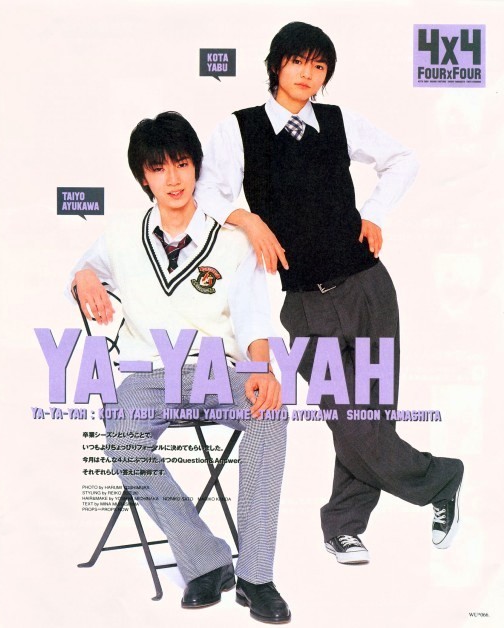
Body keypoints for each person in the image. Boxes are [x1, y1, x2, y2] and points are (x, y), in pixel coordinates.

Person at [194, 21, 463, 565]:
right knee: (351, 419)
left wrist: (375, 213)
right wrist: (248, 219)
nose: (307, 74)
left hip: (368, 288)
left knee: (370, 418)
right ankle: (442, 479)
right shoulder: (240, 128)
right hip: (305, 303)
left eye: (319, 66)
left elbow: (403, 159)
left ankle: (343, 526)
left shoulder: (340, 122)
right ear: (276, 65)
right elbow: (206, 189)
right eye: (298, 61)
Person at [70, 111, 291, 623]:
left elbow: (254, 316)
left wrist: (263, 369)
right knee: (121, 433)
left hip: (220, 371)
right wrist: (84, 276)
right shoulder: (121, 234)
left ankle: (256, 576)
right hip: (151, 374)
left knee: (271, 416)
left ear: (196, 168)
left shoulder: (231, 240)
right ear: (143, 177)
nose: (173, 178)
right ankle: (206, 558)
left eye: (182, 164)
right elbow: (85, 269)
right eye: (158, 168)